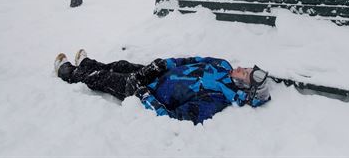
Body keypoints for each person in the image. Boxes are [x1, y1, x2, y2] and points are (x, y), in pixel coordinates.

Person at [54, 50, 270, 125]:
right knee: (122, 66)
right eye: (246, 67)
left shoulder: (216, 99)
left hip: (147, 91)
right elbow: (190, 60)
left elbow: (174, 117)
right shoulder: (222, 64)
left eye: (244, 72)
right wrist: (165, 64)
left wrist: (143, 93)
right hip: (158, 74)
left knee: (104, 79)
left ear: (243, 86)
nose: (240, 67)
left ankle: (68, 72)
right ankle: (87, 64)